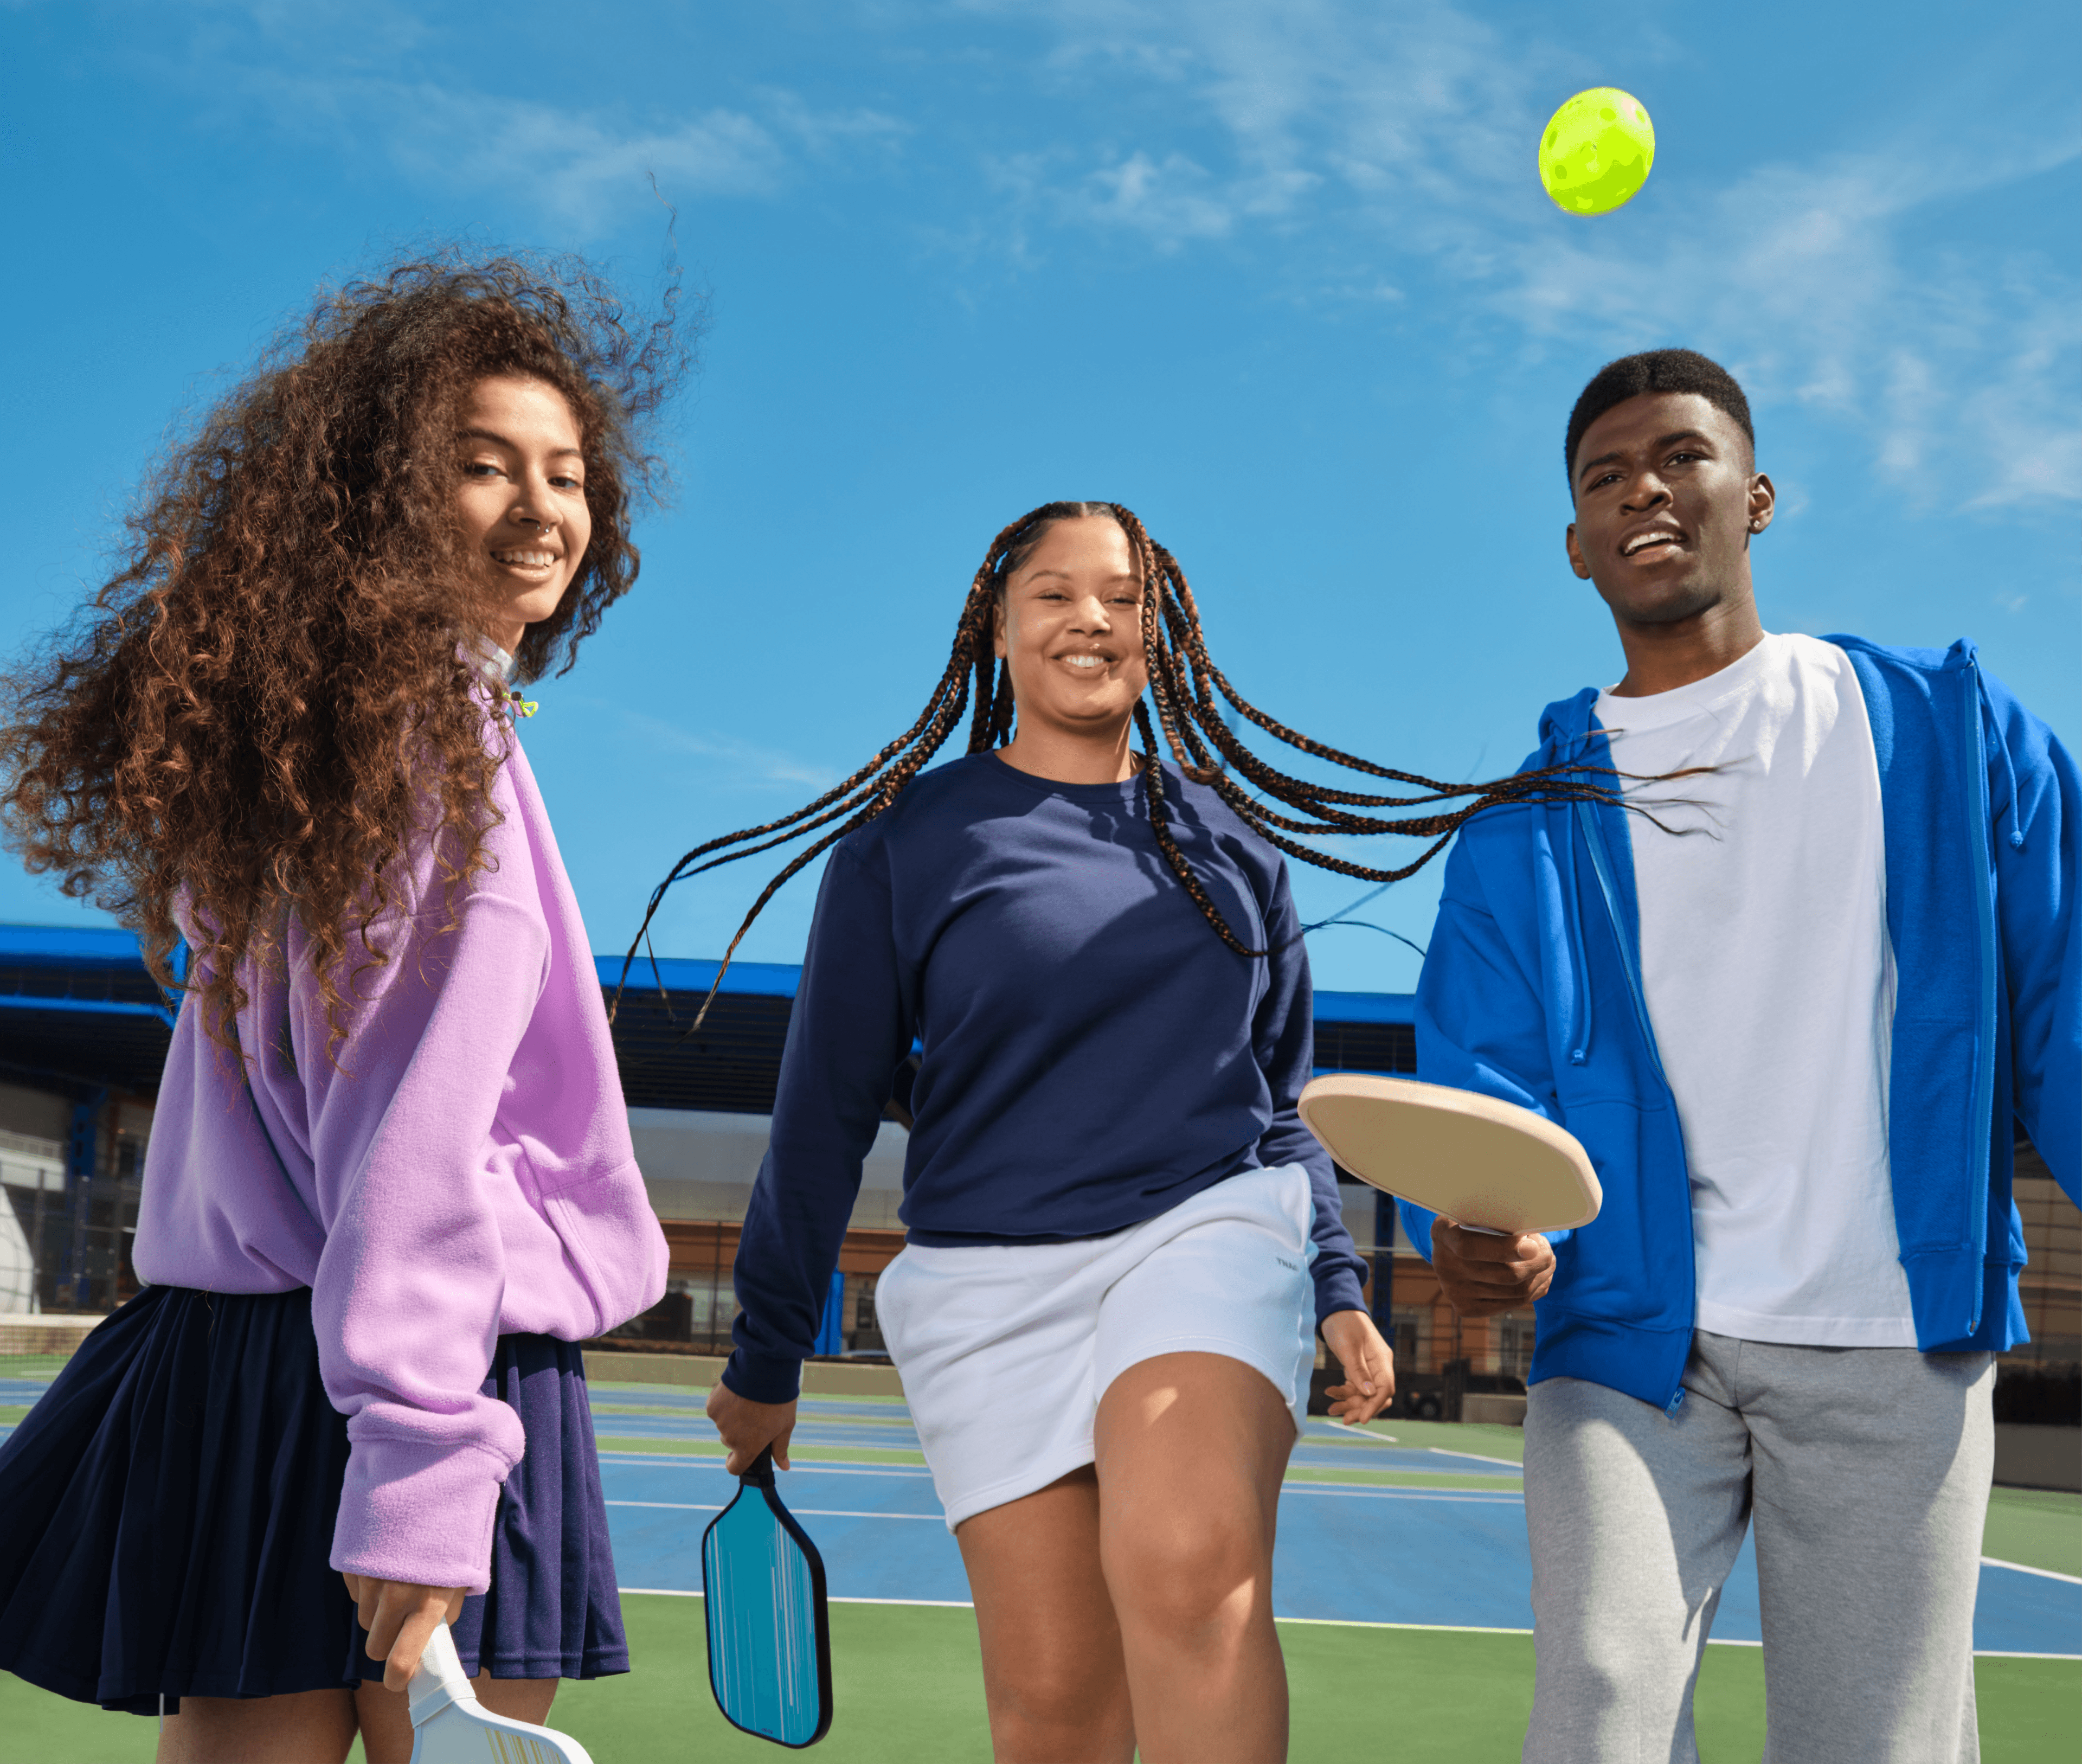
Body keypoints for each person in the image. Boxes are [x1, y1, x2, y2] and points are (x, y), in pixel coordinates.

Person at [630, 501, 1634, 1763]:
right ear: (999, 631)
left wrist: (1337, 1285)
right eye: (1052, 594)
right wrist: (766, 1353)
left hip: (1204, 1231)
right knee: (1055, 1711)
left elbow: (1280, 1104)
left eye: (1121, 596)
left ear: (1160, 636)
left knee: (1187, 1563)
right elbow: (824, 1112)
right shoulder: (904, 848)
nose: (1089, 618)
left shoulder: (1236, 847)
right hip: (985, 1287)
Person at [0, 253, 683, 1763]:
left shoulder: (310, 754)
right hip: (424, 1371)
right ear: (379, 501)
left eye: (566, 473)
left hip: (247, 1364)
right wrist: (424, 1461)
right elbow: (409, 1130)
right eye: (482, 465)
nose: (542, 508)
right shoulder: (438, 751)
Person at [1402, 348, 2079, 1762]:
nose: (1645, 487)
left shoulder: (1952, 735)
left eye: (1681, 456)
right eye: (1605, 477)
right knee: (1598, 1707)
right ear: (1577, 546)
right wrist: (1472, 1227)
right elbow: (1483, 1091)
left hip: (1896, 1337)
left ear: (1755, 494)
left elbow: (2066, 1006)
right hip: (1636, 1344)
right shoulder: (1522, 828)